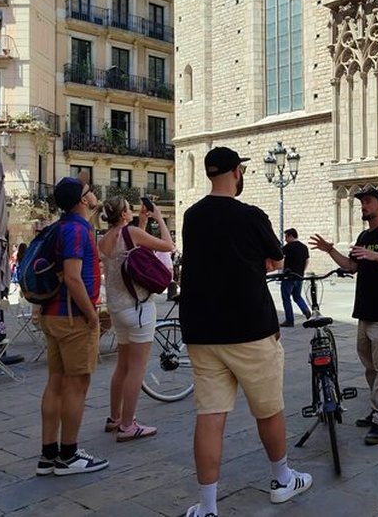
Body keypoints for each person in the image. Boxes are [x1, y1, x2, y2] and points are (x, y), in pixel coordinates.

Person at [180, 147, 312, 517]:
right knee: (269, 410)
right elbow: (276, 259)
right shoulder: (251, 215)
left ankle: (207, 506)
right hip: (250, 327)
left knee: (210, 416)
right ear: (238, 172)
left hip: (203, 331)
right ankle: (282, 479)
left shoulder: (191, 216)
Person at [310, 186, 378, 445]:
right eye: (361, 202)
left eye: (368, 201)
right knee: (371, 367)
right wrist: (330, 250)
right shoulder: (364, 235)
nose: (363, 206)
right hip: (365, 312)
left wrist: (375, 255)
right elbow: (352, 266)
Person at [36, 173, 108, 477]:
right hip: (72, 316)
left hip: (52, 313)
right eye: (89, 191)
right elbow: (72, 275)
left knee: (55, 383)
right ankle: (69, 454)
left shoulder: (60, 227)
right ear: (82, 200)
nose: (93, 195)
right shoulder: (78, 231)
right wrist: (91, 315)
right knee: (77, 386)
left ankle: (48, 456)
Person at [98, 195, 174, 442]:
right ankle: (129, 425)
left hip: (117, 308)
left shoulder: (104, 240)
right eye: (129, 209)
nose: (131, 211)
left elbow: (130, 253)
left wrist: (141, 224)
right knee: (137, 369)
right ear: (123, 215)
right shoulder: (129, 232)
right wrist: (159, 218)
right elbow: (168, 245)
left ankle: (115, 417)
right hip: (138, 308)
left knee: (122, 365)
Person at [279, 227, 311, 327]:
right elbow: (306, 261)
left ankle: (289, 320)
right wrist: (301, 272)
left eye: (286, 237)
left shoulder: (288, 247)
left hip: (289, 277)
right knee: (297, 296)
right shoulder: (304, 247)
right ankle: (306, 310)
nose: (285, 239)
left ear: (291, 236)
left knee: (286, 298)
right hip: (299, 276)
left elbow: (278, 255)